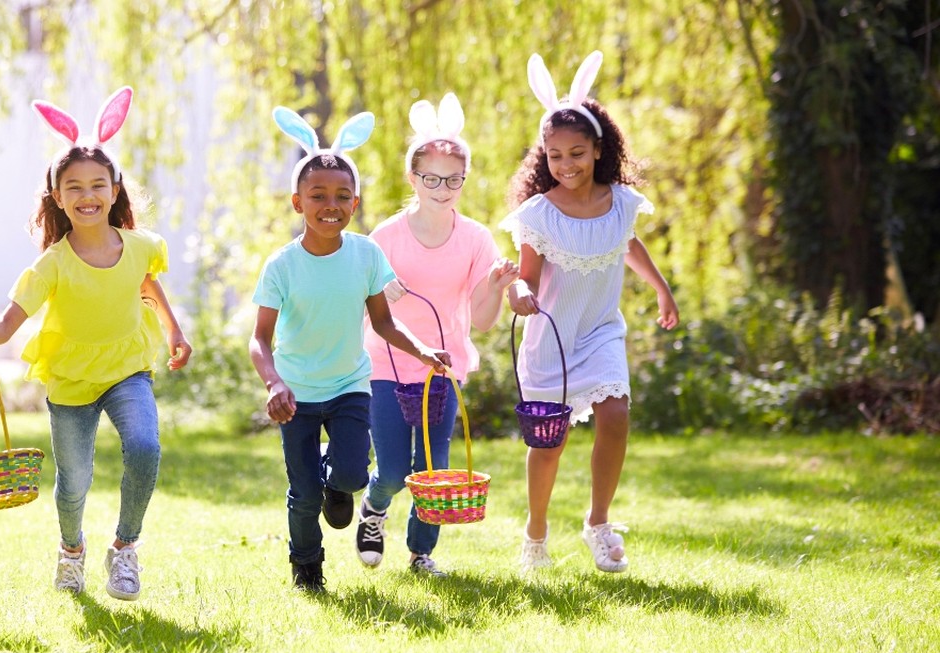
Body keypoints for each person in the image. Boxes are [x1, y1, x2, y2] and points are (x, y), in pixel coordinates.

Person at [0, 88, 191, 601]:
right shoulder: (51, 264)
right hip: (70, 380)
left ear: (114, 189)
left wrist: (174, 330)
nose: (88, 195)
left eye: (97, 184)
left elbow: (147, 284)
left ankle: (125, 549)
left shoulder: (141, 245)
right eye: (74, 187)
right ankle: (71, 552)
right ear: (58, 197)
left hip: (127, 366)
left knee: (146, 448)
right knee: (73, 483)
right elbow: (8, 322)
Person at [251, 107, 452, 593]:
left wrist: (423, 350)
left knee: (350, 473)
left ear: (355, 203)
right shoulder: (282, 266)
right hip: (296, 393)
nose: (330, 204)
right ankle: (307, 569)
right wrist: (275, 382)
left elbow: (383, 321)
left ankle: (338, 485)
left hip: (348, 387)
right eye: (317, 195)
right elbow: (259, 339)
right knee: (302, 495)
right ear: (297, 202)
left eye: (342, 196)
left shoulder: (365, 255)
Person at [501, 51, 679, 573]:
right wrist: (517, 294)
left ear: (599, 149)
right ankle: (536, 533)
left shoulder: (621, 201)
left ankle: (598, 523)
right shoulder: (537, 214)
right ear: (544, 156)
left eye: (577, 153)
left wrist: (662, 289)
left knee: (616, 414)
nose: (567, 164)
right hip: (552, 340)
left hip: (600, 332)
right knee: (549, 446)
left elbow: (629, 245)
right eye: (555, 156)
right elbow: (526, 277)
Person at [356, 93, 518, 576]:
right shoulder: (385, 236)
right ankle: (375, 507)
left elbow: (484, 319)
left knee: (434, 471)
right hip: (387, 363)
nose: (442, 188)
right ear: (413, 178)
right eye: (431, 178)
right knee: (392, 470)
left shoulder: (475, 239)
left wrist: (495, 284)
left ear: (463, 180)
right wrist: (380, 287)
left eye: (453, 180)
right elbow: (361, 297)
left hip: (444, 369)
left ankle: (420, 554)